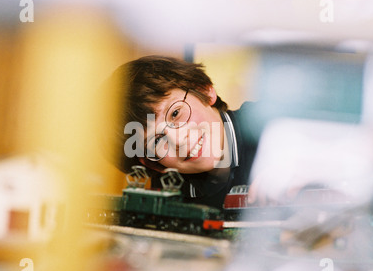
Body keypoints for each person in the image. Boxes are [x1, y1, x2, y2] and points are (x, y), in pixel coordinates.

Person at [107, 55, 259, 209]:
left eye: (175, 113)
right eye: (157, 141)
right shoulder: (167, 193)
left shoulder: (272, 126)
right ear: (152, 164)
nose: (177, 140)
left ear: (204, 90)